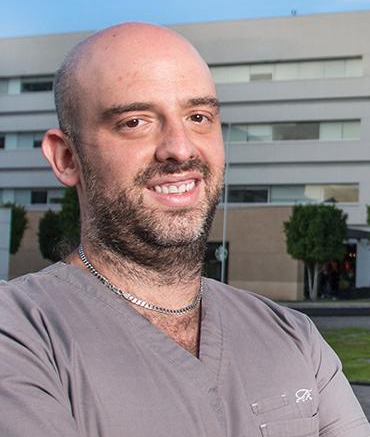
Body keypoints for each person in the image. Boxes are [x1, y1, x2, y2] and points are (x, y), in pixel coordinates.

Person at [0, 22, 369, 437]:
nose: (180, 147)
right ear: (67, 158)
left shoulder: (293, 336)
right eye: (135, 121)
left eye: (198, 117)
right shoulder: (19, 333)